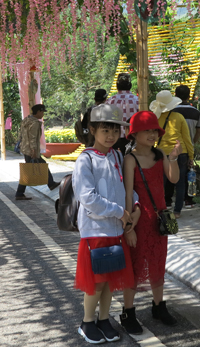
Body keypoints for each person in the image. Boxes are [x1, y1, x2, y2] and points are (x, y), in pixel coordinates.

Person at [72, 104, 134, 344]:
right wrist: (119, 211)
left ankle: (104, 319)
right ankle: (87, 322)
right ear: (92, 130)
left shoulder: (117, 156)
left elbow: (126, 189)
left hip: (116, 229)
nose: (111, 136)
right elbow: (87, 198)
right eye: (105, 130)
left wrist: (133, 206)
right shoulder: (85, 160)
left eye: (115, 131)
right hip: (96, 230)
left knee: (110, 280)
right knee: (96, 282)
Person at [120, 110, 181, 334]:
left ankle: (158, 306)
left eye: (154, 130)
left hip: (159, 219)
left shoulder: (160, 155)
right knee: (135, 266)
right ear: (134, 134)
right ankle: (128, 312)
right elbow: (128, 194)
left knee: (157, 262)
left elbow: (173, 179)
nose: (152, 134)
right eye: (147, 130)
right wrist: (129, 228)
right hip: (139, 219)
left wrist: (173, 157)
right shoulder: (130, 159)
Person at [150, 90, 194, 218]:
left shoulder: (155, 118)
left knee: (161, 183)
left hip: (161, 153)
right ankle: (177, 211)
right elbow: (187, 139)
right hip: (180, 152)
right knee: (180, 183)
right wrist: (191, 156)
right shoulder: (179, 117)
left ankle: (161, 208)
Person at [14, 104, 60, 200]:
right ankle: (20, 193)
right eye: (42, 112)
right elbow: (33, 138)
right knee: (31, 170)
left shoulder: (26, 120)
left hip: (25, 148)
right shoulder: (34, 123)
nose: (43, 114)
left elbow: (21, 135)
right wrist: (34, 150)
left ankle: (50, 184)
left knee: (30, 169)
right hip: (31, 150)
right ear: (38, 111)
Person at [170, 85, 200, 207]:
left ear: (175, 95)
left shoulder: (171, 111)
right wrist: (192, 143)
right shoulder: (196, 112)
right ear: (189, 95)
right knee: (185, 175)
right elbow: (199, 131)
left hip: (171, 147)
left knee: (169, 173)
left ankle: (167, 199)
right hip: (187, 148)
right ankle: (187, 199)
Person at [106, 73, 138, 153]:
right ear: (130, 85)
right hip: (133, 138)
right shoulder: (137, 101)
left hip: (114, 139)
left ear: (117, 85)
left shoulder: (110, 101)